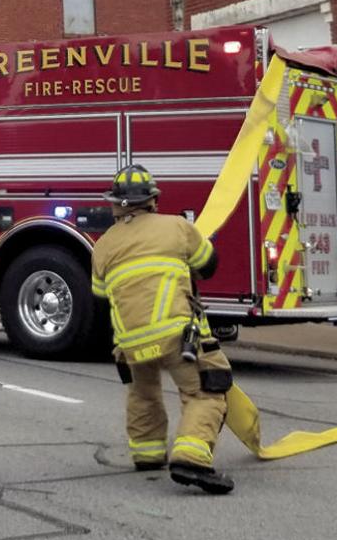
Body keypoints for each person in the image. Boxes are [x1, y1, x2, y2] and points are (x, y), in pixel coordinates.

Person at [90, 163, 236, 495]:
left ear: (114, 203)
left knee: (143, 392)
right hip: (175, 334)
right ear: (153, 200)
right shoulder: (177, 227)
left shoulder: (102, 246)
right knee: (206, 392)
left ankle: (148, 453)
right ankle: (192, 456)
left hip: (129, 341)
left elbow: (100, 294)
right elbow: (208, 266)